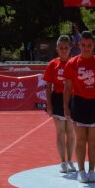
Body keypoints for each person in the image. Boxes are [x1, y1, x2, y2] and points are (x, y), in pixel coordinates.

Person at [64, 31, 95, 182]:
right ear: (79, 45)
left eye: (89, 45)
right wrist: (66, 106)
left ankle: (92, 170)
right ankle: (81, 171)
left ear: (93, 46)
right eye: (83, 45)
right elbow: (68, 87)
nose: (86, 48)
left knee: (93, 140)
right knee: (81, 139)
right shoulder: (72, 63)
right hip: (79, 103)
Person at [42, 35, 76, 174]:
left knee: (71, 132)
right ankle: (62, 161)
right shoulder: (52, 64)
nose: (63, 50)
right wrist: (49, 105)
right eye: (61, 48)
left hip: (73, 99)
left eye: (66, 48)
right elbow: (48, 87)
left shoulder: (75, 63)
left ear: (70, 49)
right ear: (57, 49)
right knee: (60, 132)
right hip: (57, 99)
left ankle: (70, 160)